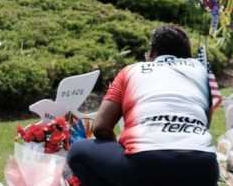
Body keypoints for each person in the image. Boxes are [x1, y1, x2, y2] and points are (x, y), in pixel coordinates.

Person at [67, 25, 219, 186]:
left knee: (78, 152)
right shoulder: (201, 72)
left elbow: (100, 127)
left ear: (152, 53)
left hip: (145, 165)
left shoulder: (131, 71)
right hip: (204, 169)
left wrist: (119, 146)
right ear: (188, 55)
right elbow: (205, 124)